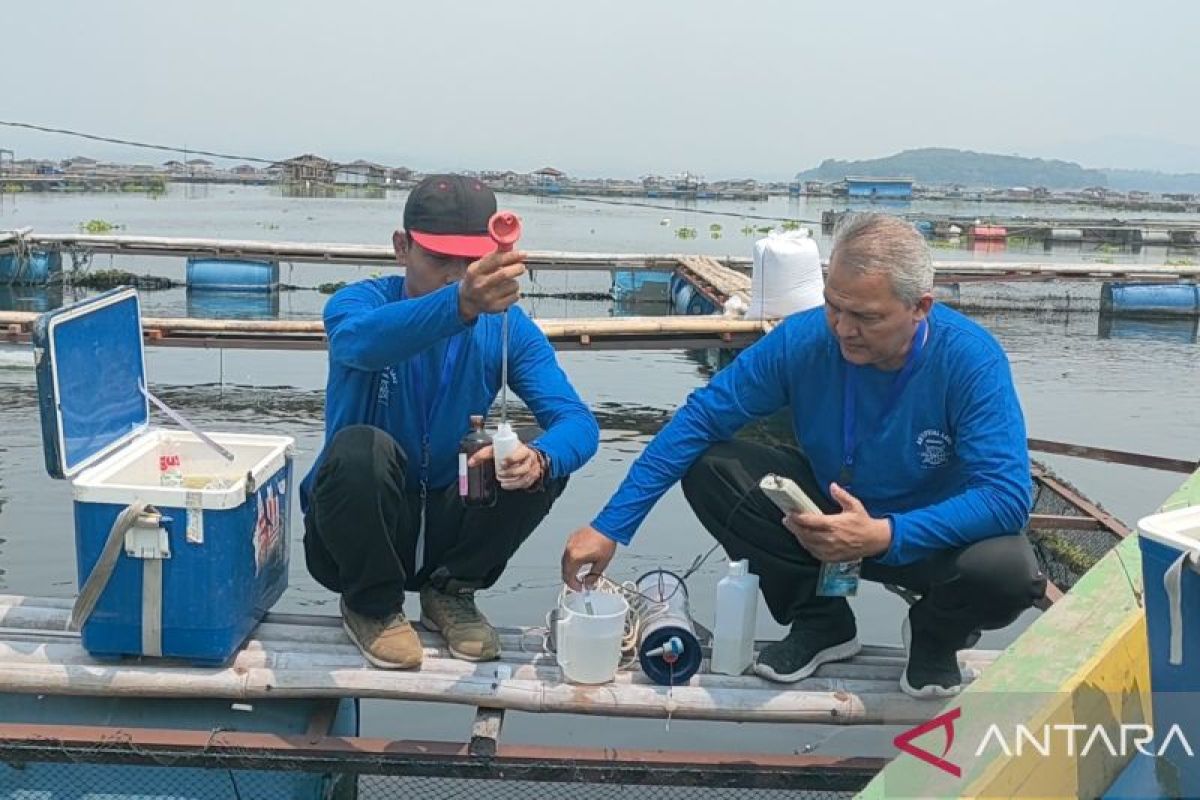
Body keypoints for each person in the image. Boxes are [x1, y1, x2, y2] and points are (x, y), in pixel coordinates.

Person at [561, 213, 1046, 698]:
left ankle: (936, 635)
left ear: (919, 307)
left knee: (1011, 575)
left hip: (925, 537)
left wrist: (883, 534)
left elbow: (1005, 496)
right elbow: (701, 418)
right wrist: (610, 527)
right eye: (834, 306)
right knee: (712, 469)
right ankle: (820, 622)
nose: (844, 329)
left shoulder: (970, 360)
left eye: (867, 317)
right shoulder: (805, 339)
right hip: (824, 528)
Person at [302, 174, 599, 670]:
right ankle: (370, 605)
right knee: (361, 449)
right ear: (402, 247)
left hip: (448, 522)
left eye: (470, 262)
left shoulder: (508, 328)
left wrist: (538, 459)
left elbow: (578, 423)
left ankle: (452, 591)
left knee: (534, 455)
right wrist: (458, 304)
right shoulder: (358, 304)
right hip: (353, 535)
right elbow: (356, 342)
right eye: (439, 259)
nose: (455, 274)